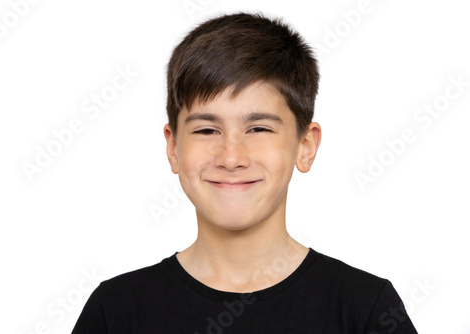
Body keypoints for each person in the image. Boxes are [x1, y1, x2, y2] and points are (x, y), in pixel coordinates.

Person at [72, 12, 418, 333]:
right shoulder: (116, 311)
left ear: (305, 146)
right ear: (173, 148)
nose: (231, 157)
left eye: (259, 129)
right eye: (207, 130)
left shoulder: (364, 309)